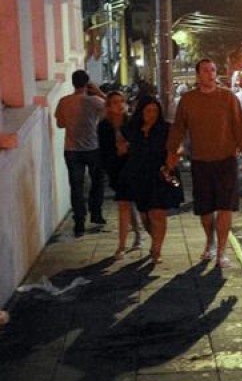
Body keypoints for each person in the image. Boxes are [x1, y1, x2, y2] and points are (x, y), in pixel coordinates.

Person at [166, 59, 242, 269]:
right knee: (205, 209)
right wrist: (172, 151)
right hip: (200, 161)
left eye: (213, 70)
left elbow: (240, 128)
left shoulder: (227, 97)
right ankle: (210, 241)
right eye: (205, 70)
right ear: (198, 75)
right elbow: (178, 128)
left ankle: (222, 251)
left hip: (226, 160)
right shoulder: (188, 100)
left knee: (225, 207)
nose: (210, 74)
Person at [120, 96, 183, 264]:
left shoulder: (166, 129)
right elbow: (122, 146)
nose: (152, 114)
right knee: (145, 215)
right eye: (148, 111)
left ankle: (157, 249)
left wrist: (174, 158)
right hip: (140, 176)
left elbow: (178, 146)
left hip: (160, 174)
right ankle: (155, 240)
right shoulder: (132, 129)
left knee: (158, 213)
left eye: (155, 111)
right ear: (141, 111)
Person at [54, 69, 107, 237]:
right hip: (92, 147)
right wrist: (98, 91)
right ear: (86, 83)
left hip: (71, 150)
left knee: (76, 187)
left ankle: (79, 223)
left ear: (72, 83)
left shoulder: (64, 101)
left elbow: (60, 124)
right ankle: (96, 213)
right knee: (97, 181)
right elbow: (112, 106)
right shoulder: (95, 101)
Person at [97, 91, 143, 259]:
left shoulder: (131, 123)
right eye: (115, 102)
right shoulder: (104, 126)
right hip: (115, 168)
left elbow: (139, 145)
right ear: (108, 106)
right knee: (126, 204)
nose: (119, 105)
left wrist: (128, 147)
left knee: (127, 204)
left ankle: (128, 242)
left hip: (131, 167)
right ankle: (132, 238)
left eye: (122, 101)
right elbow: (103, 149)